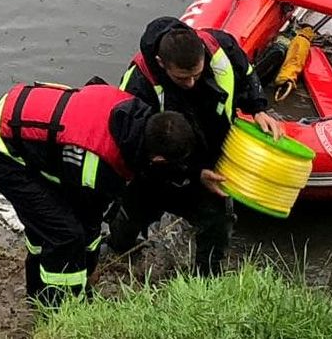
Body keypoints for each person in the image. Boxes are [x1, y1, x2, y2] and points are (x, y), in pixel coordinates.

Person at [0, 81, 199, 307]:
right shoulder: (99, 163)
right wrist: (87, 270)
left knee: (48, 224)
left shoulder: (132, 111)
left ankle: (37, 291)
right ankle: (59, 311)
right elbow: (87, 216)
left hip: (17, 118)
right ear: (158, 160)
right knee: (65, 235)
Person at [109, 16, 285, 275]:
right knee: (134, 211)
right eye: (182, 78)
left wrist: (258, 107)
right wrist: (191, 173)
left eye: (196, 74)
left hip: (210, 155)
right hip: (158, 169)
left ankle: (206, 279)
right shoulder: (138, 85)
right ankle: (117, 250)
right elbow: (134, 148)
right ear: (161, 63)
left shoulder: (220, 47)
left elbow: (247, 74)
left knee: (217, 219)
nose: (191, 83)